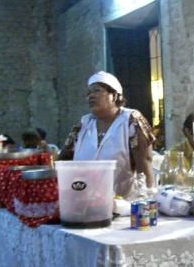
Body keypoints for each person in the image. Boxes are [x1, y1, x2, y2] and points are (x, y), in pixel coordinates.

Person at [59, 71, 155, 199]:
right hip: (84, 203)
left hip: (122, 206)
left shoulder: (131, 120)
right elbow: (63, 163)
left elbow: (145, 162)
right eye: (88, 93)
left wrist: (148, 200)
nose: (90, 96)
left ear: (114, 96)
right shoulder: (83, 124)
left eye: (96, 91)